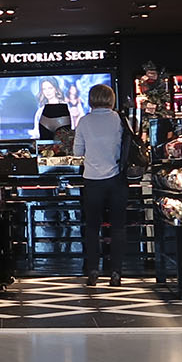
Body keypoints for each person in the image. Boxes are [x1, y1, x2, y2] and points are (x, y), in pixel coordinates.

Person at [71, 83, 127, 287]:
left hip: (92, 179)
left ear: (91, 99)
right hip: (116, 179)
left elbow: (77, 152)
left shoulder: (84, 121)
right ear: (111, 98)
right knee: (118, 227)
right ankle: (116, 272)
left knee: (92, 227)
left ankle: (93, 270)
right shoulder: (119, 120)